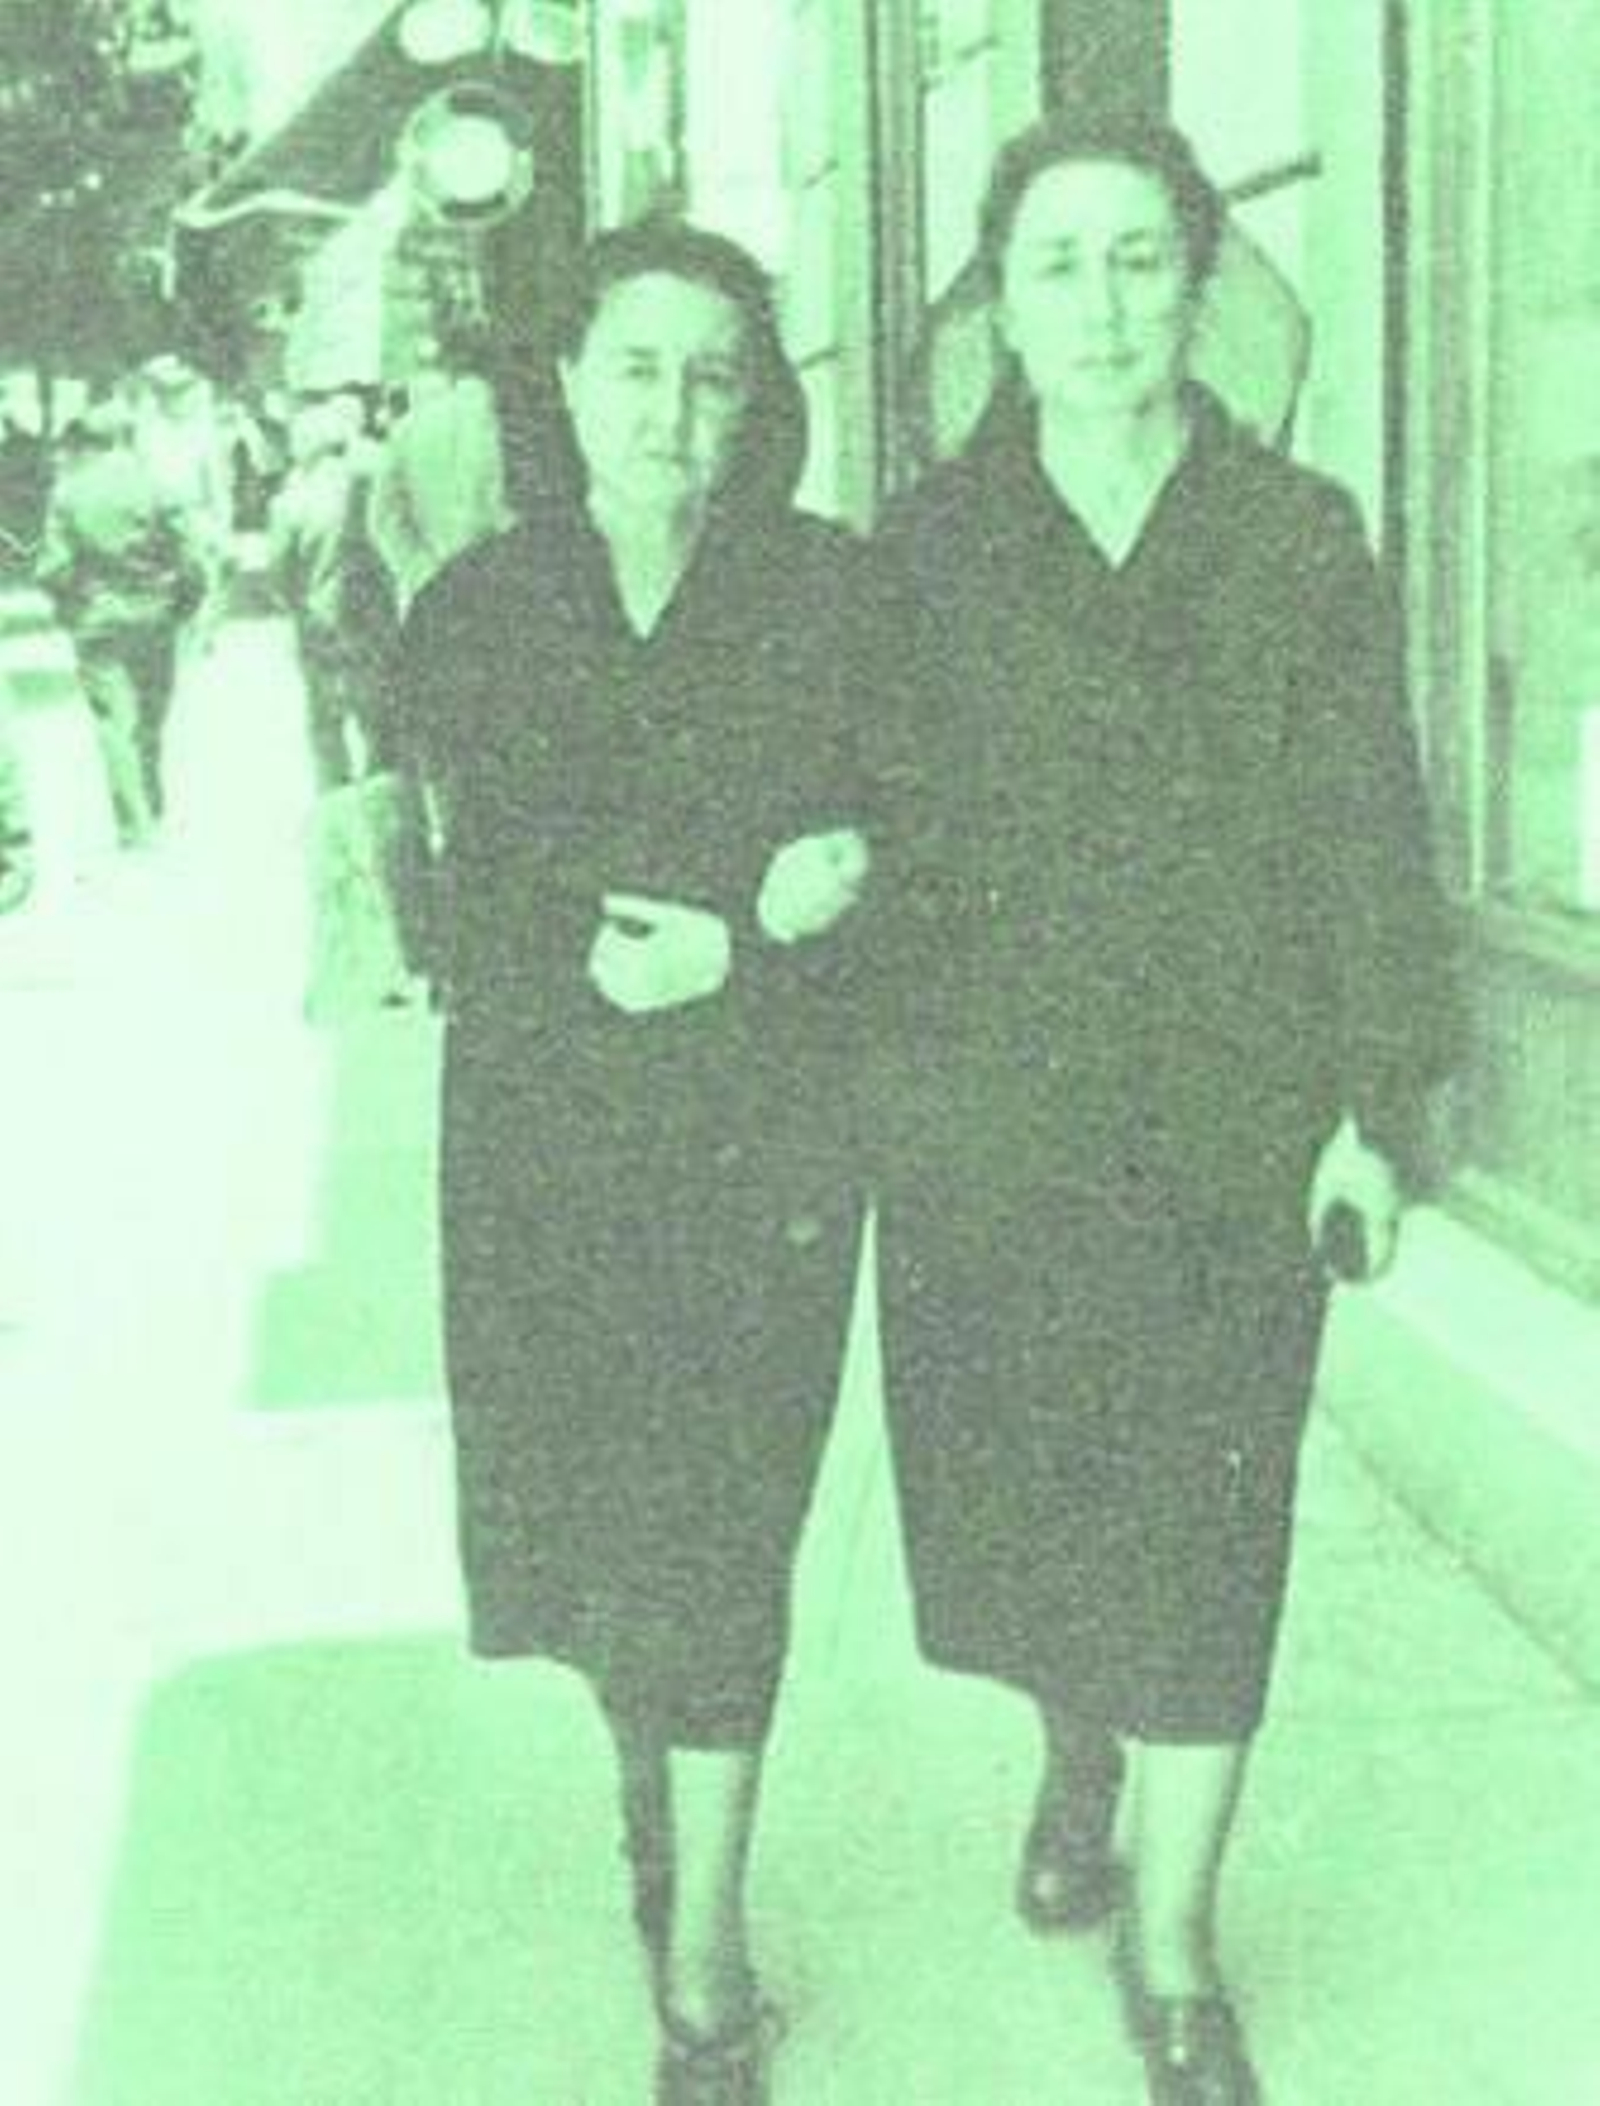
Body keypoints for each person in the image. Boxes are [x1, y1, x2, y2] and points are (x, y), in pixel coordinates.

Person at [866, 114, 1455, 2104]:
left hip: (1232, 1131)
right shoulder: (931, 550)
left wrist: (1375, 1104)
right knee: (1031, 1512)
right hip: (994, 1133)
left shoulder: (1295, 538)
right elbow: (872, 837)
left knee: (1210, 1525)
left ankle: (1178, 1947)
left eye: (1139, 258)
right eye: (1059, 263)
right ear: (1001, 302)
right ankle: (1074, 1752)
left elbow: (1368, 829)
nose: (1103, 304)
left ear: (1200, 283)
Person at [395, 218, 876, 2105]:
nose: (673, 409)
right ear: (567, 383)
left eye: (713, 374)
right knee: (597, 1537)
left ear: (757, 404)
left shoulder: (831, 598)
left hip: (766, 1143)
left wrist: (760, 938)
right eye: (637, 367)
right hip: (546, 1145)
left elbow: (903, 871)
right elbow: (453, 900)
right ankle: (648, 1787)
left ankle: (704, 1972)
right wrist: (591, 948)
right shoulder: (478, 608)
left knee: (727, 1533)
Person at [35, 402, 205, 847]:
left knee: (114, 723)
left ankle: (135, 826)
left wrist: (72, 606)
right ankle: (152, 802)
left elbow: (52, 568)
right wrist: (184, 605)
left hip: (98, 619)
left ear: (92, 443)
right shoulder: (157, 486)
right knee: (151, 716)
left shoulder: (68, 493)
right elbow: (191, 557)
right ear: (129, 436)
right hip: (155, 615)